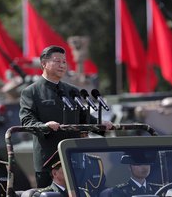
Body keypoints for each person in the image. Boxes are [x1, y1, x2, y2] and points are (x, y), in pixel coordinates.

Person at [19, 45, 112, 187]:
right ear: (44, 63)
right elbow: (27, 120)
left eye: (64, 62)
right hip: (49, 160)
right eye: (57, 61)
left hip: (74, 157)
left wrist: (101, 124)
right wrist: (44, 126)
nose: (62, 65)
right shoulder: (31, 92)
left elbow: (84, 118)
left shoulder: (72, 91)